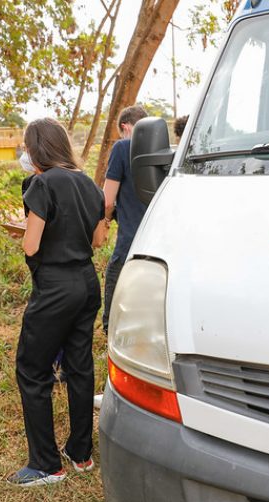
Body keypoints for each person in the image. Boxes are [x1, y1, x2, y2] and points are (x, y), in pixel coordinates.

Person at [8, 118, 107, 487]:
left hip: (55, 286)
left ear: (37, 148)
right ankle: (80, 454)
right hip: (86, 281)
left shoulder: (41, 183)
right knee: (80, 365)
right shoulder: (87, 183)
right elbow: (98, 240)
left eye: (26, 147)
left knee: (32, 370)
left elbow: (31, 244)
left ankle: (46, 465)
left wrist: (25, 234)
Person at [102, 104, 148, 334]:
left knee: (114, 279)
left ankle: (111, 334)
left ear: (125, 127)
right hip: (157, 239)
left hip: (130, 239)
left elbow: (107, 200)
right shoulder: (162, 152)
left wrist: (105, 220)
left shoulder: (122, 147)